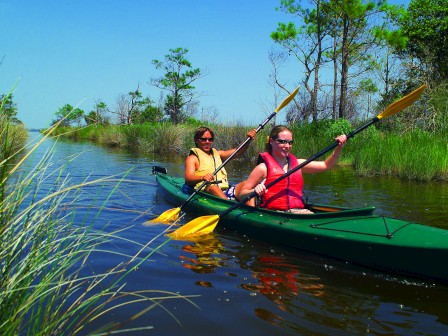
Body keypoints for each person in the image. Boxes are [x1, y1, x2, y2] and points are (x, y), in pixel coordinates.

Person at [239, 125, 347, 214]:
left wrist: (339, 147)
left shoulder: (298, 164)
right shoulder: (263, 168)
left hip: (298, 211)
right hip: (274, 213)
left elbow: (326, 165)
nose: (287, 146)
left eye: (290, 142)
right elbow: (242, 193)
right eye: (282, 142)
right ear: (271, 141)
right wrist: (255, 190)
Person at [184, 126, 257, 204]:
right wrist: (202, 177)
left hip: (224, 191)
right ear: (196, 140)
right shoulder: (193, 158)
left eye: (210, 139)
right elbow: (188, 179)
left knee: (248, 184)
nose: (207, 142)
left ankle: (251, 211)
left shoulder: (218, 154)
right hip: (206, 191)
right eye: (203, 139)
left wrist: (248, 140)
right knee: (213, 187)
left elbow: (237, 151)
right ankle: (229, 205)